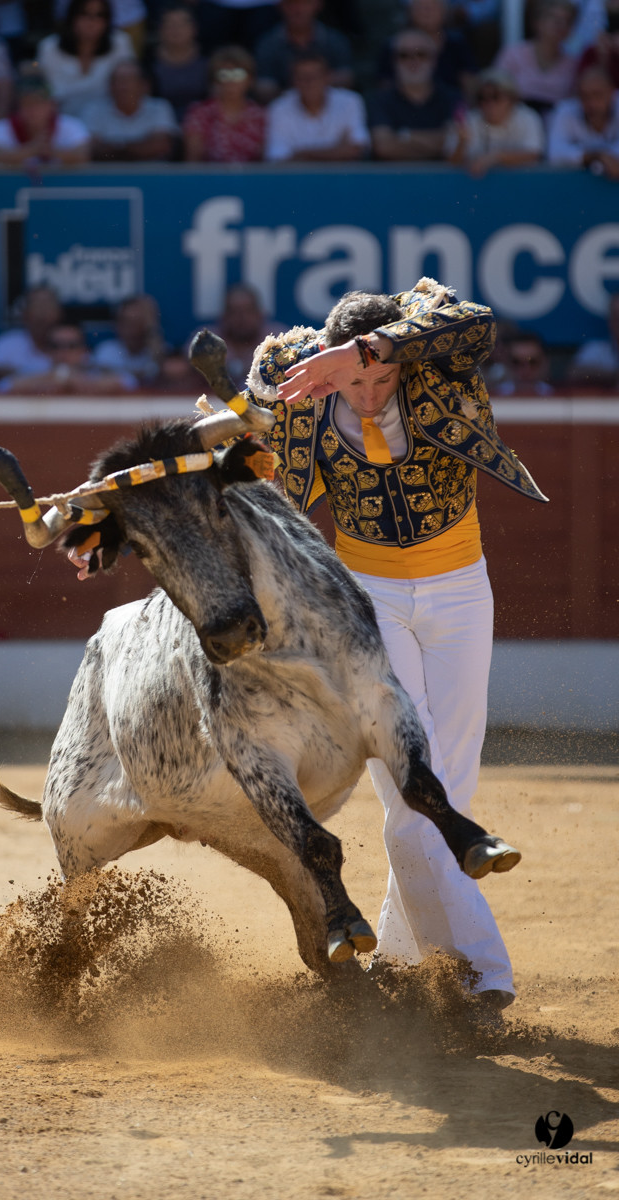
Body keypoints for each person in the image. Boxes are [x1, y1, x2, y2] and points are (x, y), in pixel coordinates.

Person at [244, 276, 547, 1012]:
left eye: (382, 375)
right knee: (420, 789)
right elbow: (241, 434)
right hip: (368, 600)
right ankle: (480, 970)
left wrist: (369, 349)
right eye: (355, 379)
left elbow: (476, 322)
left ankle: (402, 959)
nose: (371, 392)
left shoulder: (433, 361)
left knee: (452, 784)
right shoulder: (304, 388)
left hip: (461, 593)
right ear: (329, 367)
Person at [367, 27, 461, 161]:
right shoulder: (378, 100)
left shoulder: (453, 98)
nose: (413, 61)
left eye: (421, 54)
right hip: (392, 179)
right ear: (394, 61)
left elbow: (458, 143)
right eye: (404, 55)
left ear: (434, 60)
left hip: (444, 180)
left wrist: (404, 136)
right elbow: (383, 147)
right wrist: (439, 140)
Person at [264, 49, 369, 162]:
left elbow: (356, 149)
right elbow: (277, 159)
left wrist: (301, 153)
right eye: (302, 76)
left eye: (315, 76)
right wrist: (337, 151)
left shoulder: (350, 101)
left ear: (328, 77)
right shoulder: (279, 107)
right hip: (298, 179)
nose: (309, 82)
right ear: (293, 80)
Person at [37, 0, 136, 116]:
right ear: (72, 16)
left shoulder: (121, 43)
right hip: (62, 123)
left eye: (99, 15)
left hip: (110, 123)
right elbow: (42, 94)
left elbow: (132, 90)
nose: (92, 22)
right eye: (84, 14)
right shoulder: (49, 47)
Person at [253, 0, 354, 103]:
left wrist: (309, 87)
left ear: (318, 4)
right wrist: (299, 92)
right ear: (280, 6)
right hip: (283, 110)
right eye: (291, 4)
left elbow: (345, 78)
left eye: (305, 3)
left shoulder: (334, 40)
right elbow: (264, 87)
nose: (298, 9)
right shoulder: (268, 44)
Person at [448, 69, 546, 175]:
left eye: (496, 96)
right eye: (482, 97)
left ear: (511, 99)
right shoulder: (469, 120)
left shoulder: (527, 117)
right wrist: (461, 143)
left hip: (523, 186)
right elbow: (452, 163)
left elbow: (534, 154)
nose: (489, 103)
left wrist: (495, 157)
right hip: (476, 188)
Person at [0, 68, 90, 166]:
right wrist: (32, 150)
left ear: (51, 105)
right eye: (26, 103)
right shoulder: (2, 128)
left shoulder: (71, 126)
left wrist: (51, 152)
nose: (32, 109)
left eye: (38, 103)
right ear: (18, 106)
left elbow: (83, 155)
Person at [3, 320, 137, 394]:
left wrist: (81, 381)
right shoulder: (37, 368)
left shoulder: (93, 369)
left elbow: (129, 381)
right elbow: (5, 385)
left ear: (84, 351)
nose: (64, 352)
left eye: (71, 346)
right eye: (56, 346)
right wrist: (59, 377)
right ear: (48, 351)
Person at [493, 0, 579, 117]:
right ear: (537, 22)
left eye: (567, 21)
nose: (561, 25)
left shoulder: (574, 64)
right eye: (554, 18)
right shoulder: (512, 54)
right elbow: (495, 93)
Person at [183, 44, 266, 163]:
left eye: (238, 74)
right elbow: (193, 162)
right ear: (214, 80)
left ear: (250, 79)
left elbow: (266, 162)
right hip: (210, 180)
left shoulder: (260, 115)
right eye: (223, 75)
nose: (231, 81)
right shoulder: (199, 113)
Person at [82, 59, 178, 160]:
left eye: (127, 80)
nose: (122, 86)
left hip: (153, 173)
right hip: (106, 173)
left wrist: (116, 147)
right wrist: (139, 147)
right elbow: (92, 149)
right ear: (110, 87)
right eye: (117, 81)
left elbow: (161, 146)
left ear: (144, 86)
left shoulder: (160, 107)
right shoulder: (94, 110)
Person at [376, 0, 475, 95]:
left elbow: (469, 81)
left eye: (432, 7)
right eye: (421, 7)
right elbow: (385, 85)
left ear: (444, 12)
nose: (426, 12)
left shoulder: (457, 43)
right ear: (410, 12)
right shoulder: (395, 44)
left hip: (451, 106)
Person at [547, 64, 619, 177]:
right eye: (584, 96)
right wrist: (597, 156)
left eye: (597, 94)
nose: (591, 102)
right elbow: (555, 152)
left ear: (611, 92)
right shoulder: (565, 110)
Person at [146, 4, 209, 121]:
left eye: (182, 24)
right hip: (158, 124)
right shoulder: (147, 60)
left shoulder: (209, 57)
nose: (176, 30)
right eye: (170, 25)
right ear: (160, 29)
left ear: (194, 28)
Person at [0, 284, 62, 379]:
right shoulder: (6, 343)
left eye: (47, 305)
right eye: (36, 305)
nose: (42, 312)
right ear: (25, 313)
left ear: (59, 313)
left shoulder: (70, 342)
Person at [92, 293, 166, 383]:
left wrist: (152, 330)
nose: (129, 328)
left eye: (136, 321)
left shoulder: (158, 350)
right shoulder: (106, 350)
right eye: (125, 321)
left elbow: (161, 373)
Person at [567, 291, 619, 387]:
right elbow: (573, 373)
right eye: (617, 317)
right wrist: (613, 375)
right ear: (610, 321)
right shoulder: (595, 350)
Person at [492, 329, 555, 396]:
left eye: (532, 362)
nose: (525, 370)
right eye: (516, 362)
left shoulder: (557, 398)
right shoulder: (493, 397)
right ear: (506, 363)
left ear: (544, 363)